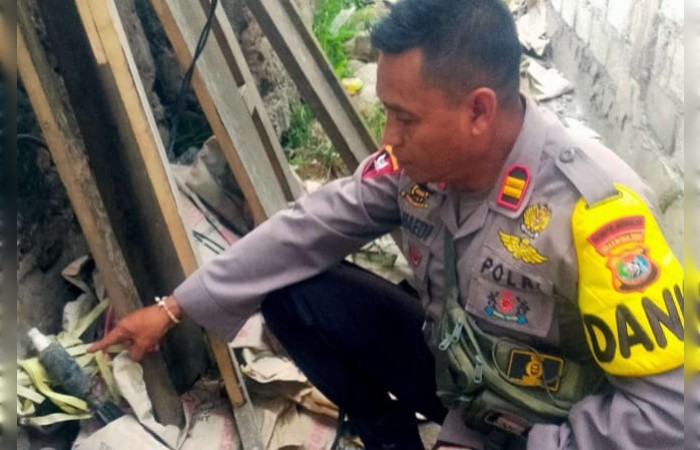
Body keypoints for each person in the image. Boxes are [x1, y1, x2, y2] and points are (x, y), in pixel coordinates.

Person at [90, 0, 685, 448]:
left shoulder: (598, 210)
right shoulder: (415, 167)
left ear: (479, 110)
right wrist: (175, 308)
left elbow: (670, 412)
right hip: (461, 378)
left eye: (404, 118)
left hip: (550, 423)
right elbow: (307, 226)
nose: (388, 138)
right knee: (296, 293)